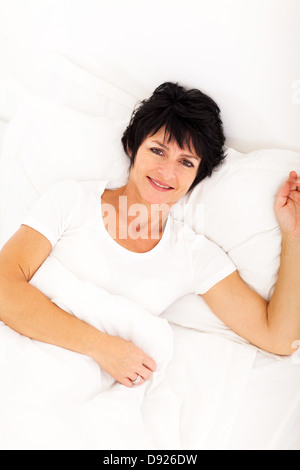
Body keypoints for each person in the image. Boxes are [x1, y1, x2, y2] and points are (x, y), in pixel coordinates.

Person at [0, 82, 299, 389]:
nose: (167, 173)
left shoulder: (193, 255)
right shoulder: (73, 200)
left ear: (199, 175)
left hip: (74, 389)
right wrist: (102, 347)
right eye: (158, 151)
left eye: (186, 162)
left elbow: (279, 338)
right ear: (132, 147)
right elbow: (3, 285)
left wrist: (294, 237)